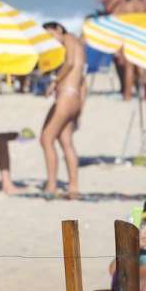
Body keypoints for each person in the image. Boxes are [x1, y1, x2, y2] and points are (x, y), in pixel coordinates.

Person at [40, 21, 85, 200]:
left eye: (51, 35)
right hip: (74, 97)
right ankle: (73, 187)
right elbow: (82, 79)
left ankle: (51, 185)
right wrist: (81, 107)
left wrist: (54, 82)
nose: (51, 40)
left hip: (66, 96)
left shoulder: (69, 39)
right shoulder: (78, 45)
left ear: (59, 29)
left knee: (46, 139)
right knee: (65, 140)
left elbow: (70, 63)